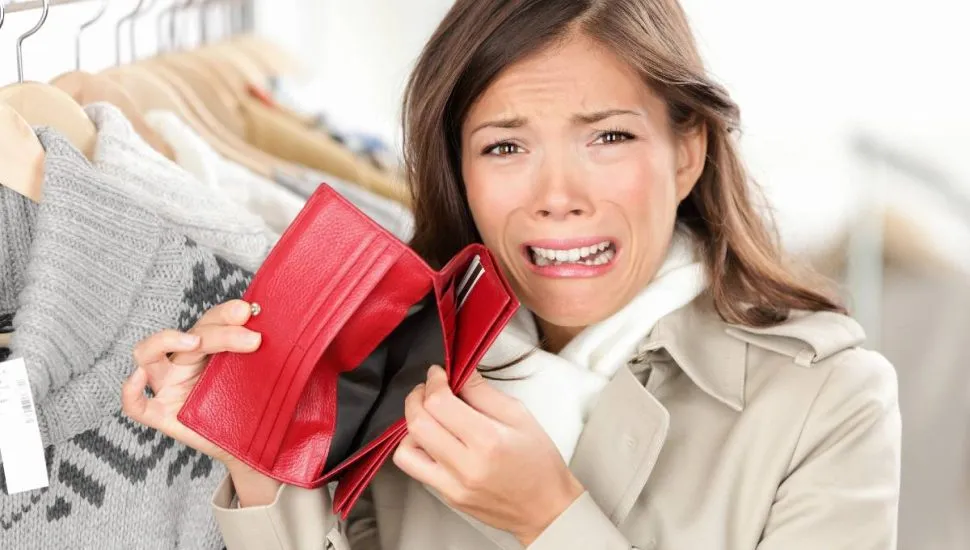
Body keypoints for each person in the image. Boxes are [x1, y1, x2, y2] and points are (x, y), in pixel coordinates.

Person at [122, 0, 901, 548]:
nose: (558, 198)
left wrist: (549, 517)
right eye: (505, 147)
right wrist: (253, 451)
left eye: (609, 138)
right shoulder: (395, 359)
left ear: (687, 152)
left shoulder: (827, 401)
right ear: (457, 172)